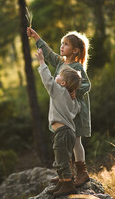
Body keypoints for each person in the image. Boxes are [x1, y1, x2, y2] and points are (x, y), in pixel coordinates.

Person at [27, 27, 91, 187]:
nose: (62, 46)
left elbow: (87, 84)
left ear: (75, 50)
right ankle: (66, 174)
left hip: (75, 110)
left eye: (66, 44)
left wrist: (75, 89)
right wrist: (36, 37)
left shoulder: (77, 67)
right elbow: (48, 53)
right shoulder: (61, 63)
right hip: (64, 110)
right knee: (65, 142)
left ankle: (82, 173)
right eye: (62, 43)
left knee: (76, 141)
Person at [35, 48, 82, 197]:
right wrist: (74, 98)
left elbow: (47, 79)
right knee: (63, 157)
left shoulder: (58, 90)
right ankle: (63, 182)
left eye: (59, 76)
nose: (55, 77)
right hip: (69, 132)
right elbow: (76, 109)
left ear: (62, 82)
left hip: (62, 133)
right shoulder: (70, 96)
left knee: (61, 159)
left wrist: (42, 62)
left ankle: (68, 185)